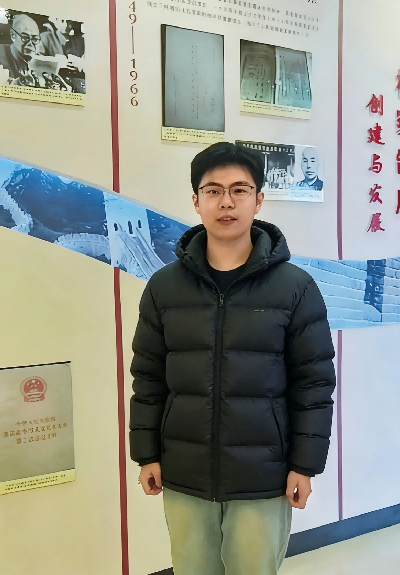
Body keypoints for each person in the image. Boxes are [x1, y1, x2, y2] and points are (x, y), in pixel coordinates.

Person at [129, 142, 336, 575]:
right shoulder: (164, 288)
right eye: (213, 190)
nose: (227, 202)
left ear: (259, 200)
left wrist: (304, 465)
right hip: (184, 471)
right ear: (196, 201)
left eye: (240, 190)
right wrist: (147, 454)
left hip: (263, 475)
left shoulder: (295, 288)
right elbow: (148, 377)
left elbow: (314, 383)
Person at [0, 14, 40, 84]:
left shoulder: (39, 61)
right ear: (13, 35)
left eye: (35, 39)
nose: (30, 44)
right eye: (25, 37)